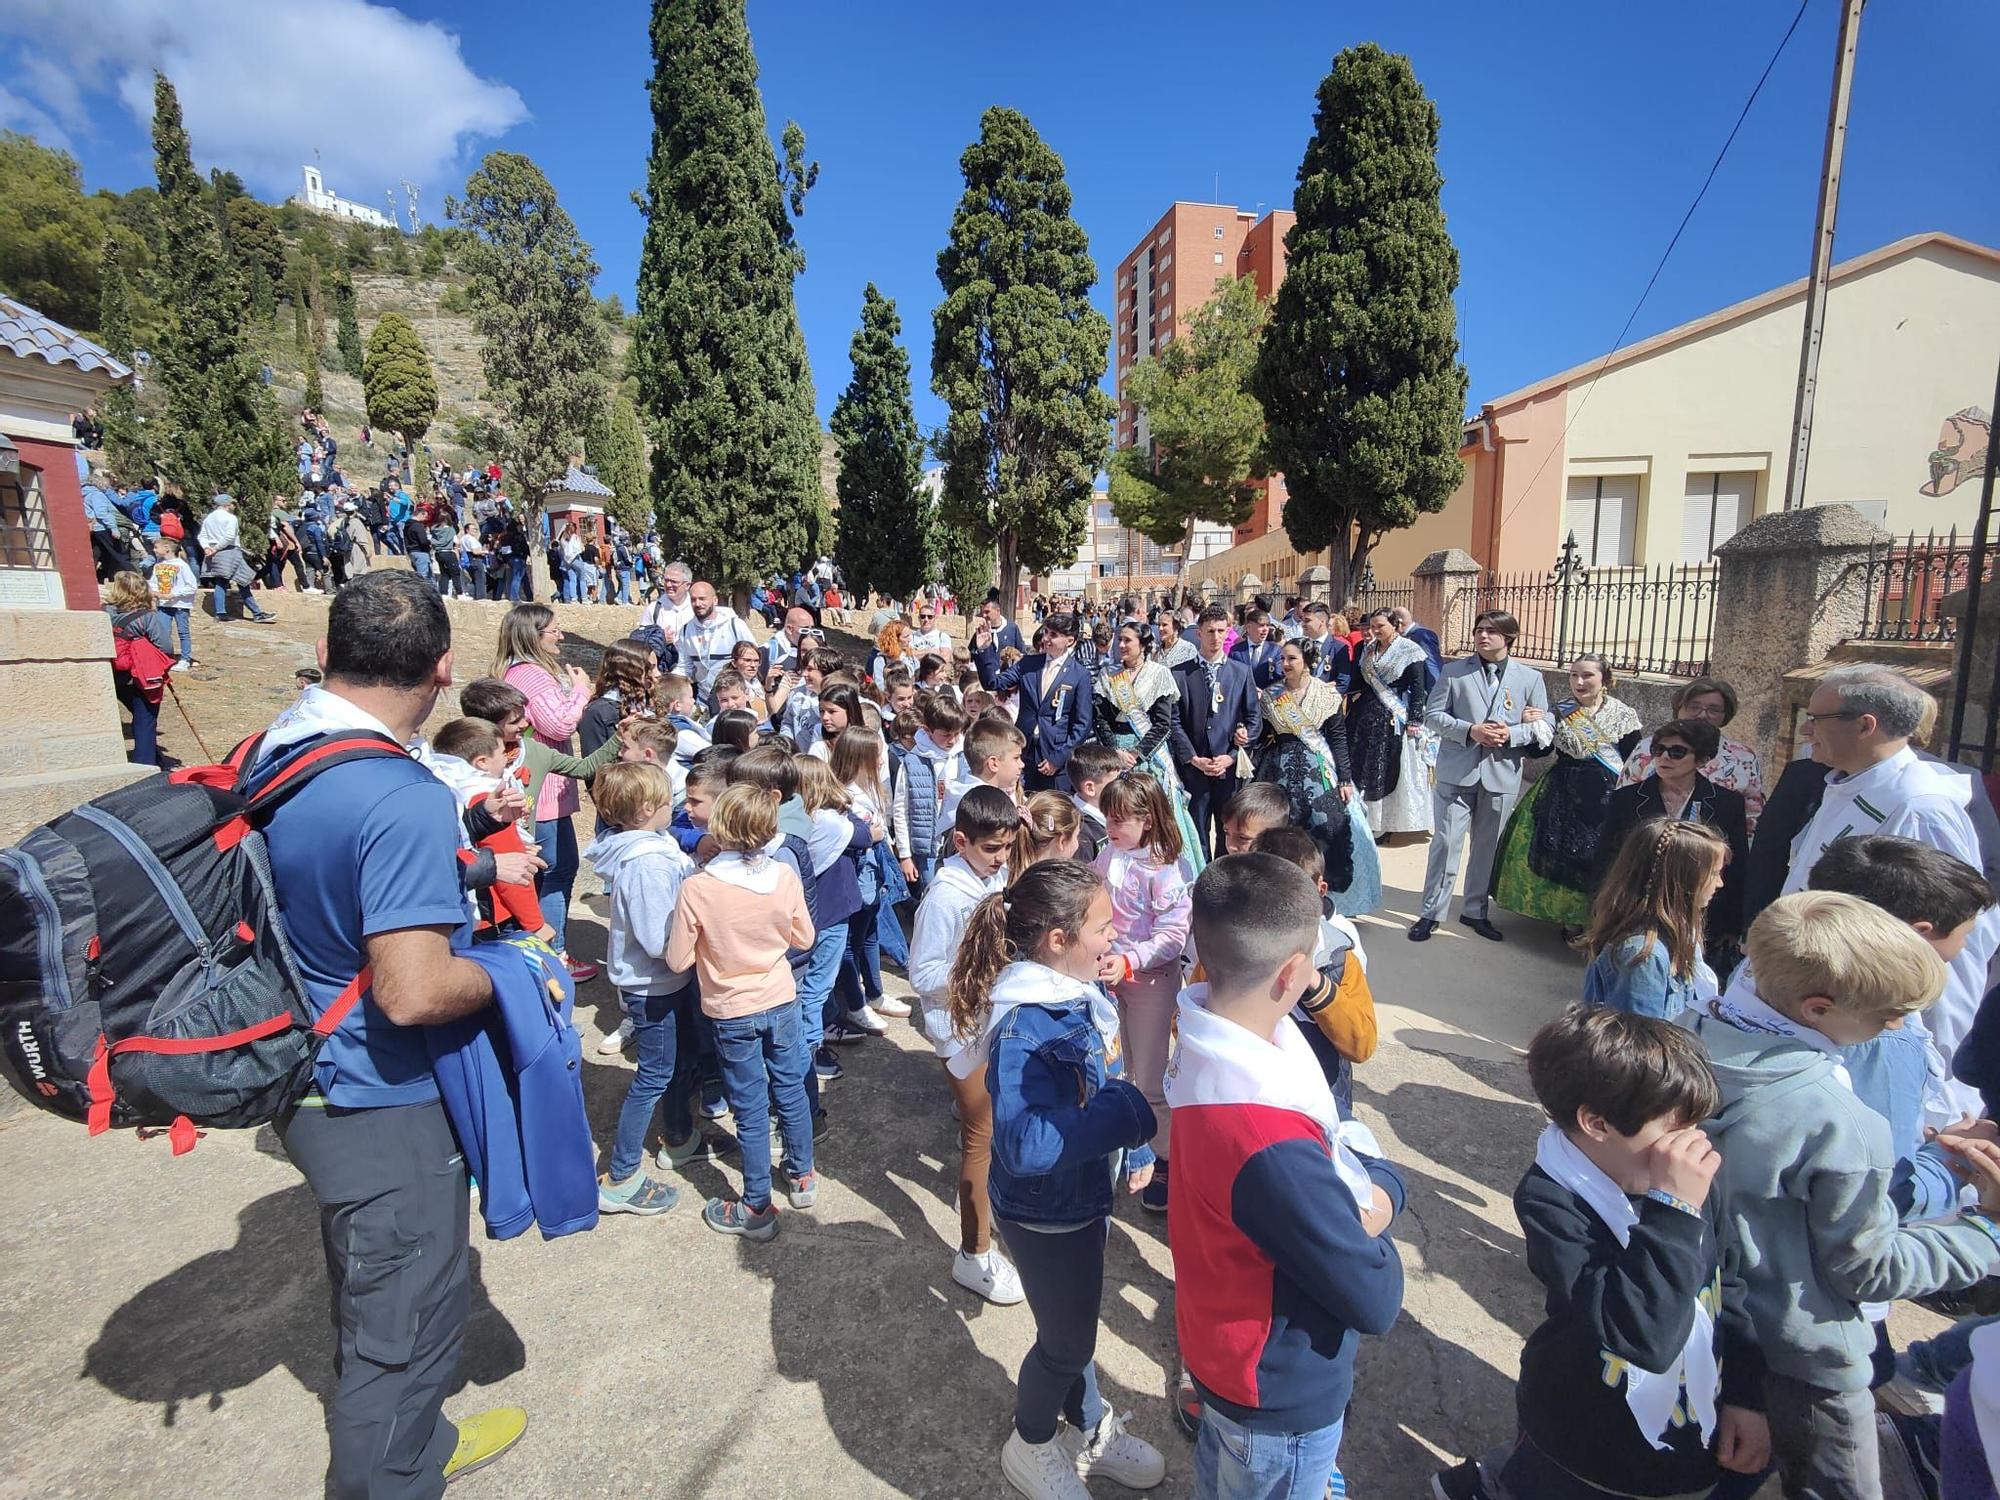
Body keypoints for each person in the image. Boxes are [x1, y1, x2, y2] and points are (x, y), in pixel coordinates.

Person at [251, 573, 527, 1496]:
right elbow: (410, 992)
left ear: (328, 654)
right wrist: (514, 974)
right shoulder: (396, 791)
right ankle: (394, 1471)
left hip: (300, 1071)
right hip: (374, 1091)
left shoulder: (277, 748)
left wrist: (474, 854)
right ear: (443, 670)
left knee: (372, 1286)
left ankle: (420, 1439)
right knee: (401, 1331)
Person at [1683, 892, 2000, 1500]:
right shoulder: (1839, 1120)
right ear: (1819, 1008)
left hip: (1711, 1328)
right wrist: (1987, 1227)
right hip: (1806, 1363)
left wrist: (1938, 1163)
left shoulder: (1686, 1035)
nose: (1901, 1027)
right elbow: (1868, 1268)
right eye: (1888, 1017)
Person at [1430, 1007, 1768, 1500]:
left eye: (1698, 1125)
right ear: (1597, 1123)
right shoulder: (1554, 1200)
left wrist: (1745, 1394)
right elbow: (1641, 1336)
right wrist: (1673, 1208)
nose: (1694, 1145)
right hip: (1584, 1438)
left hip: (1692, 1426)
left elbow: (1728, 1284)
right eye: (1675, 1131)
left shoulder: (1692, 1179)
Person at [1169, 853, 1404, 1500]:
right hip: (1274, 1393)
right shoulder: (1269, 1142)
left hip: (1219, 1347)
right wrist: (1384, 1188)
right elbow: (1375, 1297)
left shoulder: (1198, 1030)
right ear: (1294, 973)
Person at [948, 860, 1163, 1500]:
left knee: (1071, 1328)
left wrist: (1133, 1143)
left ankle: (1090, 1424)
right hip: (1048, 1211)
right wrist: (1128, 1115)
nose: (1114, 937)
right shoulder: (1027, 1025)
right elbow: (1026, 1143)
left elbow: (1091, 1083)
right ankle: (1032, 1443)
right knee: (1066, 1345)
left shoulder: (1067, 996)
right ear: (1058, 939)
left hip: (1079, 1197)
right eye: (1102, 927)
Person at [1780, 663, 2000, 1118]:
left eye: (1817, 718)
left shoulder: (1919, 807)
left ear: (1865, 726)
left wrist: (1941, 1068)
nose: (1806, 728)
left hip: (1880, 1033)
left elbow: (1953, 940)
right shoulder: (1844, 783)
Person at [664, 784, 818, 1240]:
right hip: (780, 997)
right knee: (790, 1087)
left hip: (730, 1008)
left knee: (749, 1106)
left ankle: (755, 1205)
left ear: (719, 827)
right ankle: (802, 1174)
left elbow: (677, 960)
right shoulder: (784, 877)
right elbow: (804, 939)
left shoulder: (699, 888)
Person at [909, 787, 1025, 1305]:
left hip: (989, 1020)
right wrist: (981, 970)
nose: (1003, 859)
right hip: (959, 1031)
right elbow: (922, 973)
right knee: (980, 1134)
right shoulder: (945, 896)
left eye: (1006, 847)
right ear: (961, 841)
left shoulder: (992, 875)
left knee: (995, 1127)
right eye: (993, 850)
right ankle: (973, 1254)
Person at [584, 762, 697, 1216]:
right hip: (655, 985)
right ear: (648, 809)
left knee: (675, 1063)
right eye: (669, 800)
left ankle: (679, 1135)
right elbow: (656, 938)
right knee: (653, 1075)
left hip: (669, 980)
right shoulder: (647, 863)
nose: (675, 806)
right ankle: (621, 1175)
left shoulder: (655, 847)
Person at [1412, 610, 1549, 942]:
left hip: (1501, 772)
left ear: (1509, 638)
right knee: (1445, 843)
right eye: (1479, 630)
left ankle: (1475, 910)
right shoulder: (1455, 671)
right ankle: (1431, 911)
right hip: (1457, 771)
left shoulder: (1530, 678)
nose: (1483, 636)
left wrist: (1513, 735)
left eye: (1491, 631)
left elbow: (1543, 728)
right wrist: (1470, 730)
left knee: (1487, 847)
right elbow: (1433, 716)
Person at [1093, 773, 1194, 1217]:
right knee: (1119, 1066)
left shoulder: (1165, 869)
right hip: (1109, 977)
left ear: (1148, 820)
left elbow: (1173, 936)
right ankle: (1128, 1145)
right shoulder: (1108, 853)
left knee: (1151, 1078)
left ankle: (1166, 1159)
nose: (1111, 828)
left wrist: (1131, 960)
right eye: (1107, 819)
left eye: (1119, 820)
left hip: (1149, 983)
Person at [1492, 654, 1644, 932]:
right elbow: (1541, 751)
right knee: (1560, 852)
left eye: (1587, 675)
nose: (1579, 682)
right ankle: (1568, 917)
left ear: (1605, 679)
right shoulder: (1559, 711)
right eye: (1574, 675)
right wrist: (1533, 726)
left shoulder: (1624, 715)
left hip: (1607, 794)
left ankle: (1597, 917)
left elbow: (1633, 759)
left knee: (1602, 855)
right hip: (1563, 789)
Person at [494, 606, 600, 982]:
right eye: (554, 631)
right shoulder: (532, 676)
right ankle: (554, 956)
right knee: (556, 870)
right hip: (545, 793)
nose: (561, 636)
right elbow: (559, 724)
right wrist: (582, 692)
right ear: (533, 635)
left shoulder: (515, 673)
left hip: (537, 788)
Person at [1597, 718, 1749, 972]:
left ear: (1701, 759)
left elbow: (1737, 866)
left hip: (1701, 917)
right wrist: (1602, 907)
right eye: (1658, 750)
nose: (1664, 757)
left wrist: (1733, 924)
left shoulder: (1726, 803)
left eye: (1677, 752)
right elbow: (1606, 857)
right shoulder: (1626, 799)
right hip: (1636, 911)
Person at [1256, 636, 1380, 916]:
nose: (1284, 664)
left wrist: (1345, 778)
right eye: (1282, 658)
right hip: (1279, 769)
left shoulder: (1326, 695)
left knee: (1330, 828)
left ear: (1307, 663)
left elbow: (1337, 738)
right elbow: (1264, 735)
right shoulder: (1271, 695)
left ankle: (1328, 898)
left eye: (1291, 659)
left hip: (1318, 770)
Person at [1578, 818, 1728, 1019]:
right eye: (1714, 873)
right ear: (1682, 880)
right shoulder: (1643, 957)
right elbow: (1640, 1042)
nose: (1720, 883)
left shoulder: (1680, 936)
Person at [1094, 621, 1204, 871]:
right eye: (1119, 640)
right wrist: (1115, 751)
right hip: (1116, 754)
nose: (1121, 645)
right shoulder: (1108, 675)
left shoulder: (1159, 674)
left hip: (1149, 755)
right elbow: (1100, 719)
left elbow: (1163, 723)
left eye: (1128, 641)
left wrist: (1137, 752)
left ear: (1143, 645)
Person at [1171, 605, 1263, 860]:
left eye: (1221, 631)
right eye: (1210, 631)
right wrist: (1192, 757)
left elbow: (1254, 719)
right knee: (1197, 830)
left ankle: (1224, 879)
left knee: (1229, 830)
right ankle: (1202, 880)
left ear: (1229, 632)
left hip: (1227, 769)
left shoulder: (1240, 672)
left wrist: (1233, 755)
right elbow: (1174, 721)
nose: (1215, 637)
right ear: (1198, 633)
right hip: (1196, 768)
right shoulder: (1180, 673)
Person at [1619, 678, 1766, 834]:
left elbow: (1752, 818)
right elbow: (1623, 802)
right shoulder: (1645, 749)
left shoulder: (1744, 757)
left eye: (1714, 710)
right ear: (1679, 709)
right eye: (1694, 707)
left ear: (1725, 715)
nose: (1702, 715)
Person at [971, 610, 1095, 792]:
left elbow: (1082, 725)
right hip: (1024, 753)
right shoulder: (1028, 663)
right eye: (1045, 632)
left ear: (1070, 641)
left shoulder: (1079, 674)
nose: (1046, 638)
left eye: (1054, 635)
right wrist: (984, 649)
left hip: (1055, 758)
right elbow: (992, 682)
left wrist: (1059, 758)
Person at [1349, 609, 1434, 840]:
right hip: (1365, 715)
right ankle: (1363, 815)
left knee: (1385, 766)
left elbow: (1418, 688)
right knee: (1362, 765)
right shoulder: (1369, 649)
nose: (1375, 631)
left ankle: (1383, 821)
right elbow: (1359, 681)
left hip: (1391, 718)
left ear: (1395, 625)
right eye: (1372, 626)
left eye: (1380, 626)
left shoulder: (1410, 650)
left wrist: (1415, 719)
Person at [103, 572, 175, 765]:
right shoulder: (147, 618)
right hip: (142, 676)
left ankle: (156, 759)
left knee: (141, 716)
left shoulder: (105, 613)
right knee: (146, 719)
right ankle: (146, 765)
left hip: (115, 674)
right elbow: (165, 646)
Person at [196, 494, 276, 623]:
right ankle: (257, 613)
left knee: (221, 582)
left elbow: (202, 536)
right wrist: (216, 548)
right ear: (227, 504)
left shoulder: (208, 518)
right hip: (229, 551)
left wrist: (207, 548)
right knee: (243, 581)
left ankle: (222, 613)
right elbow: (229, 537)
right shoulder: (231, 518)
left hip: (213, 553)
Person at [678, 580, 757, 696]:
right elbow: (684, 667)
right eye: (693, 600)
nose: (697, 603)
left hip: (733, 699)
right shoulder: (686, 631)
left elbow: (753, 658)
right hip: (703, 698)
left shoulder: (734, 625)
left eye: (702, 599)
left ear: (715, 600)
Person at [148, 535, 198, 673]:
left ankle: (185, 659)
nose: (154, 549)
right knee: (163, 632)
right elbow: (153, 583)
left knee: (183, 632)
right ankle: (165, 657)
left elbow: (192, 586)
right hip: (163, 605)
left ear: (167, 548)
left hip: (180, 605)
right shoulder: (158, 566)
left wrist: (173, 594)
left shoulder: (182, 565)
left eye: (156, 547)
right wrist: (153, 592)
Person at [1226, 607, 1285, 688]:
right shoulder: (1236, 651)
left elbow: (1279, 679)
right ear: (1248, 627)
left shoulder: (1275, 650)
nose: (1265, 630)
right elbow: (1231, 678)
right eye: (1261, 625)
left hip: (1266, 697)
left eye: (1267, 625)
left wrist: (1265, 694)